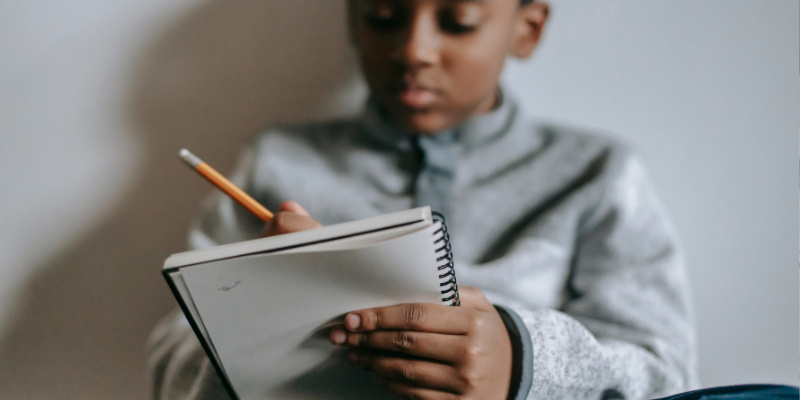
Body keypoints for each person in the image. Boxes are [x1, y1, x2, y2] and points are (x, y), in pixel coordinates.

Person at [148, 0, 700, 399]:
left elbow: (669, 376)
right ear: (351, 19)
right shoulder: (277, 164)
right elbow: (171, 362)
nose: (414, 49)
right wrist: (261, 310)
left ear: (527, 28)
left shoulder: (599, 174)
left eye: (458, 21)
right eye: (383, 16)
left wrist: (525, 362)